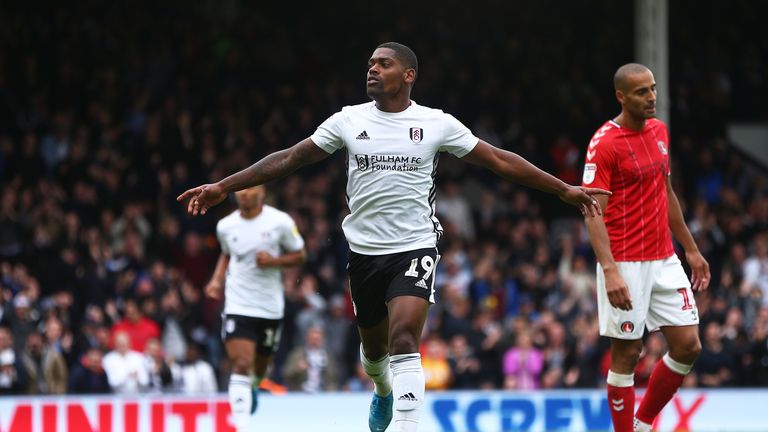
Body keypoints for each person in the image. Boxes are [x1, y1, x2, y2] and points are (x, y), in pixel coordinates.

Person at [179, 42, 608, 432]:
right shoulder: (349, 121)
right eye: (369, 64)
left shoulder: (435, 124)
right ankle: (383, 390)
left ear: (408, 76)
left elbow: (498, 160)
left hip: (415, 245)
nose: (372, 70)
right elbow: (291, 158)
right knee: (374, 355)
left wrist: (563, 189)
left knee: (405, 339)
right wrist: (224, 186)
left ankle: (406, 423)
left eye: (384, 64)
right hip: (364, 252)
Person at [581, 63, 711, 432]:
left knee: (689, 345)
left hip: (664, 257)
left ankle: (642, 423)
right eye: (641, 92)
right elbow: (593, 212)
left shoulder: (659, 131)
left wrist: (691, 248)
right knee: (627, 353)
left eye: (653, 89)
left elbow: (665, 192)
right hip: (624, 261)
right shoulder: (604, 142)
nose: (652, 97)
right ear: (621, 96)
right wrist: (609, 271)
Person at [204, 185, 306, 431]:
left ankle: (253, 387)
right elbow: (227, 253)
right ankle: (241, 425)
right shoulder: (225, 226)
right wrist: (217, 280)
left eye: (250, 189)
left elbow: (300, 255)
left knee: (260, 368)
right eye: (240, 190)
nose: (244, 194)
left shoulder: (280, 222)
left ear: (262, 192)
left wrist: (275, 261)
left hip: (270, 307)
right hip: (238, 304)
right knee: (240, 363)